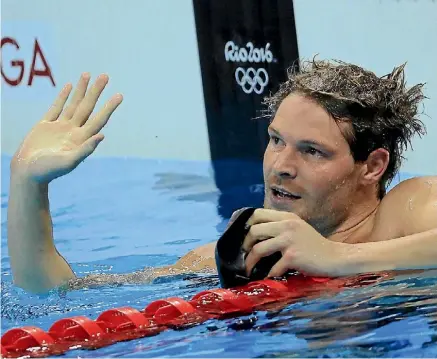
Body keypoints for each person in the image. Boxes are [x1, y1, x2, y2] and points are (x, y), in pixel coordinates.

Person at [7, 59, 437, 294]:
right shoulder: (240, 255)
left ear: (373, 166)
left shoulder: (407, 211)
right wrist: (27, 183)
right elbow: (53, 292)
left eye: (312, 151)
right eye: (275, 140)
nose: (281, 165)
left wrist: (334, 258)